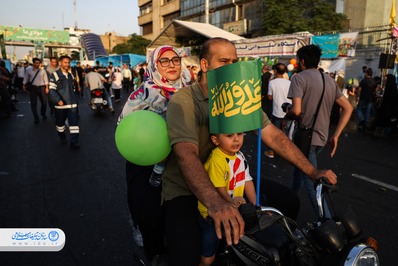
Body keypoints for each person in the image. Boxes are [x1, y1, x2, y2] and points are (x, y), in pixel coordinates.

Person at [163, 37, 338, 266]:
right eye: (224, 61)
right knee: (187, 256)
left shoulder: (239, 96)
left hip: (231, 181)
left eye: (235, 61)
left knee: (289, 202)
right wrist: (215, 202)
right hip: (186, 189)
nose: (232, 67)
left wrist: (313, 171)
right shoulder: (184, 100)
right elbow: (186, 154)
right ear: (205, 66)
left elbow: (272, 134)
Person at [119, 45, 185, 263]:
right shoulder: (142, 94)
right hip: (146, 163)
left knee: (177, 215)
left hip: (180, 162)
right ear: (155, 65)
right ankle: (154, 252)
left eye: (175, 60)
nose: (171, 65)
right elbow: (124, 128)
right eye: (164, 61)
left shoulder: (189, 90)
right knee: (150, 213)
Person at [285, 44, 353, 215]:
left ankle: (327, 222)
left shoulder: (299, 78)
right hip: (322, 137)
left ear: (301, 61)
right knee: (299, 171)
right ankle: (289, 202)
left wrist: (286, 114)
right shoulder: (329, 80)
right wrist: (336, 135)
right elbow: (348, 108)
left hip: (306, 138)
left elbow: (297, 111)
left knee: (312, 181)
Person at [198, 132, 256, 266]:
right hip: (211, 216)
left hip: (232, 210)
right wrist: (232, 205)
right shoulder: (216, 160)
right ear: (215, 140)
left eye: (240, 134)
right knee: (208, 257)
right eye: (229, 136)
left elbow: (248, 181)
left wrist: (255, 205)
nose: (236, 139)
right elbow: (219, 189)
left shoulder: (240, 156)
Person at [48, 55, 80, 150]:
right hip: (60, 106)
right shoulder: (54, 75)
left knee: (74, 125)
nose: (67, 64)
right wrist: (58, 100)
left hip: (72, 104)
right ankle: (62, 136)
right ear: (60, 63)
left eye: (68, 62)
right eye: (65, 62)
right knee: (60, 125)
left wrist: (76, 98)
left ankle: (74, 142)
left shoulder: (71, 74)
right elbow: (51, 90)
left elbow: (73, 88)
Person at [264, 63, 292, 159]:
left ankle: (272, 152)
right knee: (285, 134)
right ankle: (285, 153)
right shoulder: (289, 82)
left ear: (275, 71)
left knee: (275, 134)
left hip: (277, 112)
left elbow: (270, 97)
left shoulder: (272, 82)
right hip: (288, 112)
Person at [22, 57, 49, 123]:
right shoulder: (29, 70)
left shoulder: (43, 71)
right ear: (33, 63)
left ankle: (43, 113)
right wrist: (23, 85)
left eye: (38, 63)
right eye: (36, 63)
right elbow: (26, 78)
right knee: (33, 103)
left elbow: (46, 80)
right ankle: (36, 117)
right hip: (33, 88)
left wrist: (47, 88)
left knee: (44, 102)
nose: (37, 64)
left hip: (42, 87)